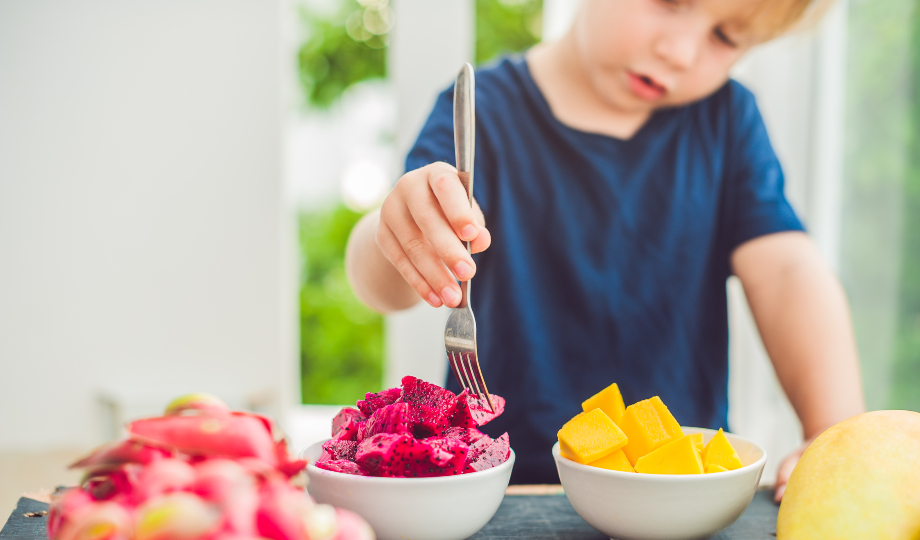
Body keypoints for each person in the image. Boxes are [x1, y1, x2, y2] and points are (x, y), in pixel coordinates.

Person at [344, 0, 865, 500]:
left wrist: (837, 436)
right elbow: (384, 280)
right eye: (668, 1)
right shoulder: (484, 115)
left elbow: (786, 275)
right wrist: (397, 230)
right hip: (499, 489)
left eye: (725, 37)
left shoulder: (728, 121)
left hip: (675, 490)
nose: (680, 52)